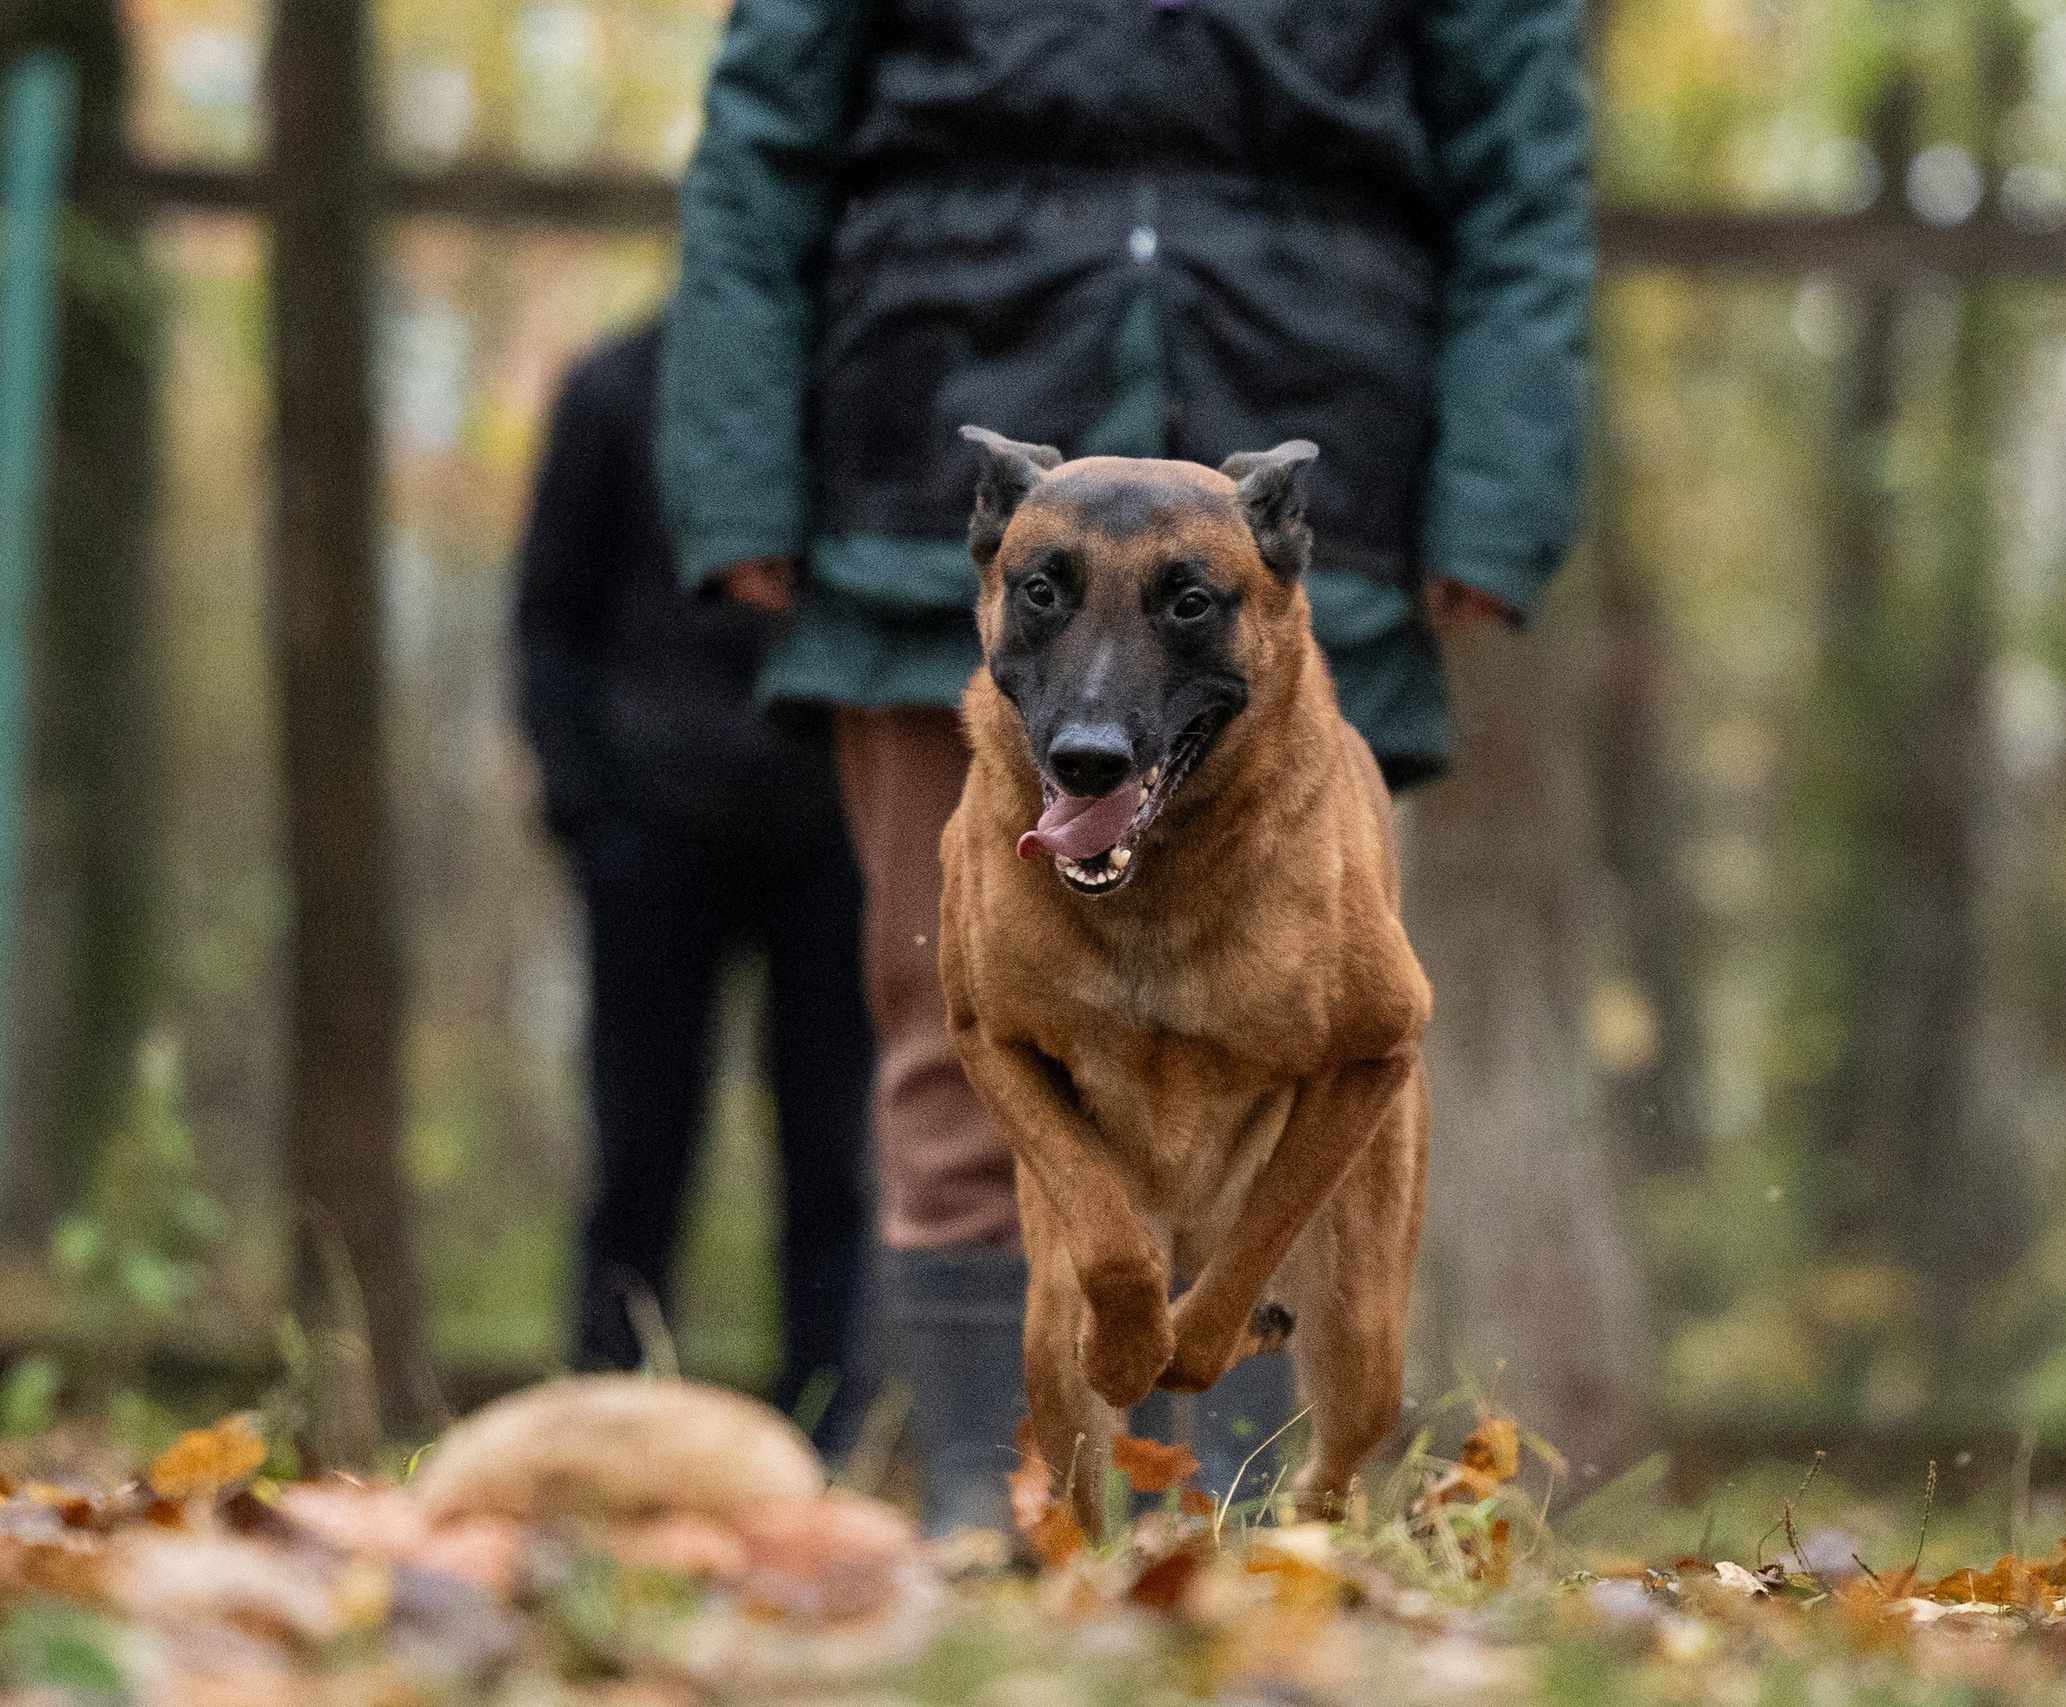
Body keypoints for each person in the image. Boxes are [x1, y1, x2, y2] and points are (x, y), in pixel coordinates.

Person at [658, 1, 1591, 1529]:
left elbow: (1521, 166)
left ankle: (1206, 1504)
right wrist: (734, 459)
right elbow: (764, 138)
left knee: (1278, 1050)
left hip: (1315, 486)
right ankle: (994, 1490)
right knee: (954, 1033)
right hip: (926, 454)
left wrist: (1498, 490)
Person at [517, 317, 879, 1452]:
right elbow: (548, 616)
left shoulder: (857, 394)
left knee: (831, 1160)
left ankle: (824, 1444)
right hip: (647, 843)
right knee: (637, 1156)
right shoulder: (611, 388)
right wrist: (586, 805)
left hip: (829, 836)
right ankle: (600, 1433)